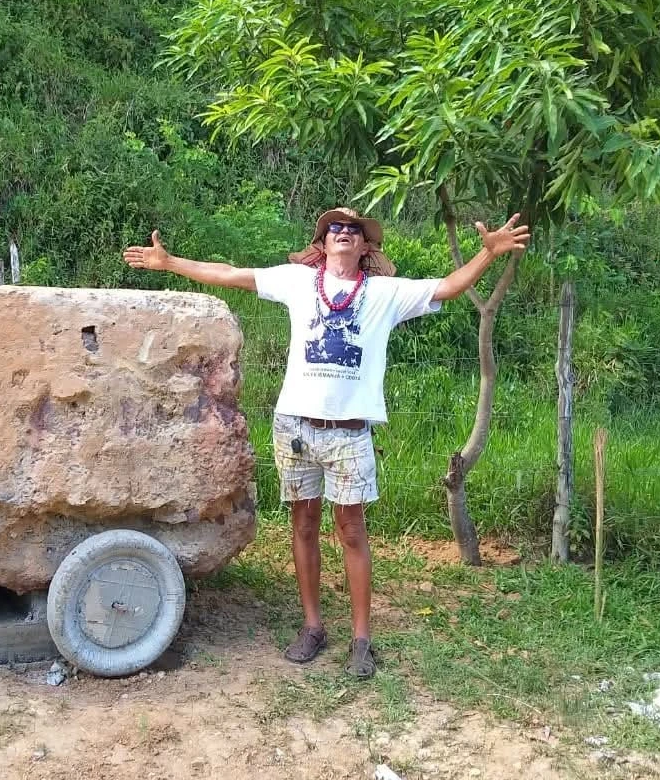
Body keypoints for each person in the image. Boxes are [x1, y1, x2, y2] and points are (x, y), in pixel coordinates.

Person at [122, 206, 530, 678]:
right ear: (323, 242)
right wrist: (171, 263)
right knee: (304, 525)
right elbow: (231, 274)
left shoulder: (384, 294)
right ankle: (313, 626)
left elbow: (447, 287)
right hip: (295, 429)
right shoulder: (298, 281)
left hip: (349, 434)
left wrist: (487, 253)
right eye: (335, 227)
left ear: (365, 246)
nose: (343, 232)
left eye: (353, 229)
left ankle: (361, 639)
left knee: (352, 531)